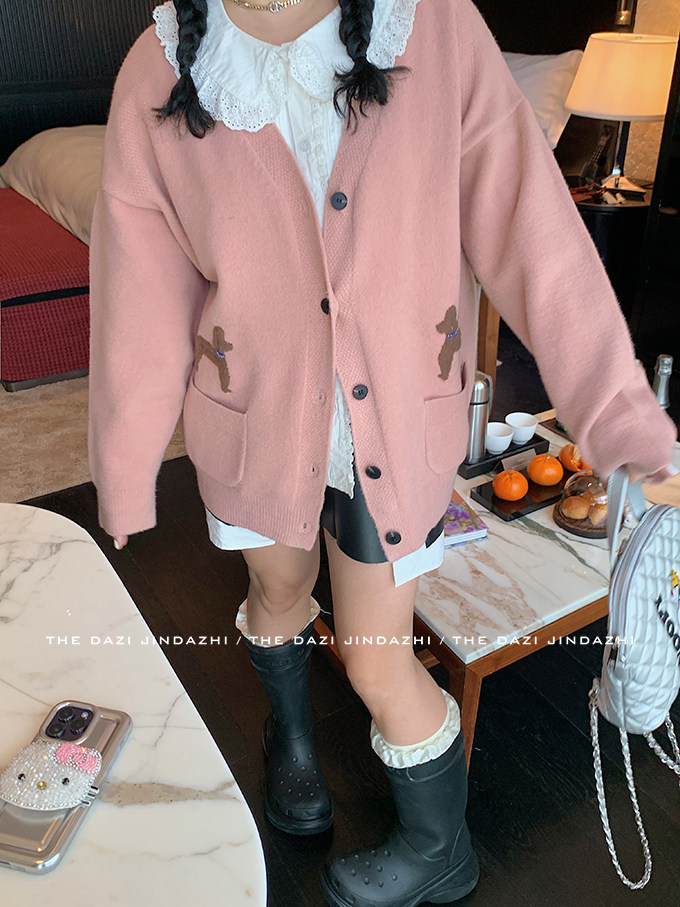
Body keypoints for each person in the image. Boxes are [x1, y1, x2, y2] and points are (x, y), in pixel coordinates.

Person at [87, 0, 678, 904]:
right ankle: (291, 739)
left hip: (395, 424)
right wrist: (126, 464)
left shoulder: (432, 27)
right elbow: (140, 286)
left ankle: (442, 847)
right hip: (253, 420)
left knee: (374, 655)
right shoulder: (159, 66)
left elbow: (534, 229)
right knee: (275, 594)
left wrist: (617, 410)